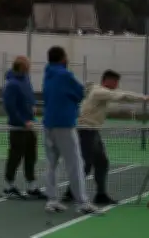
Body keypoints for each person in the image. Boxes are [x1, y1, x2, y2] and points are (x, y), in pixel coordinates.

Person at [63, 70, 149, 205]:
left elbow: (119, 94)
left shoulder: (103, 93)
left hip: (93, 131)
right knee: (85, 165)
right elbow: (122, 96)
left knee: (102, 162)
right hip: (85, 130)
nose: (117, 84)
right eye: (115, 81)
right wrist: (147, 98)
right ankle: (70, 193)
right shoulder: (99, 92)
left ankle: (100, 195)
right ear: (107, 81)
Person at [41, 46, 98, 214]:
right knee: (75, 164)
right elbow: (80, 93)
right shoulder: (65, 75)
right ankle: (82, 203)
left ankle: (52, 200)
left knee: (51, 164)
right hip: (64, 125)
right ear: (62, 58)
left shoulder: (47, 75)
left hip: (48, 124)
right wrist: (86, 89)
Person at [2, 56, 46, 199]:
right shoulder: (12, 84)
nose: (29, 69)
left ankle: (32, 186)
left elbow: (28, 96)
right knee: (15, 156)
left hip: (29, 125)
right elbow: (10, 107)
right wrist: (22, 121)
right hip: (18, 128)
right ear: (21, 68)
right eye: (27, 67)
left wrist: (32, 107)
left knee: (31, 155)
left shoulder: (26, 79)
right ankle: (9, 186)